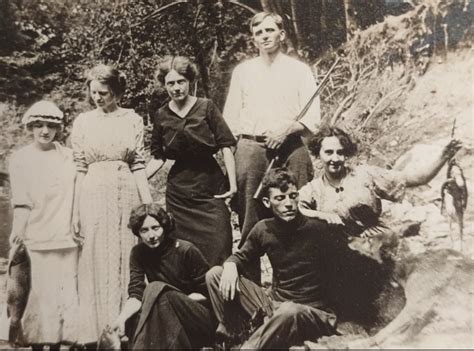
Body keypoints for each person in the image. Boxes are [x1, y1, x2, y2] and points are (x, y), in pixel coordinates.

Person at [223, 12, 320, 282]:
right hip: (252, 149)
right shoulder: (243, 72)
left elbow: (313, 118)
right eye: (258, 33)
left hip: (291, 148)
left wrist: (286, 129)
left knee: (297, 213)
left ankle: (300, 286)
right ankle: (252, 297)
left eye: (269, 30)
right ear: (253, 39)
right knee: (250, 221)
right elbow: (230, 120)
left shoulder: (299, 70)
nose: (264, 36)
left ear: (282, 34)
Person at [206, 168, 338, 349]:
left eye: (293, 196)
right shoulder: (263, 229)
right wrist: (230, 265)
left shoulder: (317, 229)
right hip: (275, 306)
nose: (289, 203)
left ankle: (248, 347)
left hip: (312, 313)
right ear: (267, 202)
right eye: (280, 198)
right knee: (215, 274)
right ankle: (234, 335)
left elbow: (342, 273)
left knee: (289, 311)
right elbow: (241, 256)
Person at [71, 64, 152, 345]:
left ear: (117, 92)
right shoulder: (82, 122)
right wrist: (74, 212)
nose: (98, 98)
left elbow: (139, 164)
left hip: (126, 190)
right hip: (93, 192)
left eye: (104, 92)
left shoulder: (132, 119)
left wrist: (149, 205)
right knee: (95, 256)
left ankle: (124, 328)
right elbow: (79, 168)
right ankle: (95, 333)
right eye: (93, 92)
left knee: (125, 255)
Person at [146, 56, 237, 266]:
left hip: (210, 186)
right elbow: (158, 157)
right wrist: (136, 180)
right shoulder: (161, 114)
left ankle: (221, 292)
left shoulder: (206, 107)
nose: (176, 88)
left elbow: (226, 145)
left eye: (181, 82)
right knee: (185, 251)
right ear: (164, 85)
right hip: (179, 193)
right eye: (170, 83)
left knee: (220, 242)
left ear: (190, 82)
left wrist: (232, 184)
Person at [298, 126, 462, 236]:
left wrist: (443, 156)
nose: (335, 158)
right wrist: (320, 214)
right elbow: (292, 209)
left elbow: (412, 179)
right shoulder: (313, 190)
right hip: (338, 252)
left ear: (346, 154)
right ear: (318, 154)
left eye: (340, 153)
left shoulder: (364, 174)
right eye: (328, 152)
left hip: (377, 245)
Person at [8, 101, 79, 350]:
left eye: (50, 125)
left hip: (68, 238)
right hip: (37, 238)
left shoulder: (69, 156)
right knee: (40, 299)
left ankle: (60, 345)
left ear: (58, 127)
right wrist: (17, 232)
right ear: (30, 127)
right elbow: (22, 202)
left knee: (64, 297)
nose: (45, 131)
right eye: (39, 125)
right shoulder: (21, 159)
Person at [111, 203, 216, 349]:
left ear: (165, 226)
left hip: (197, 317)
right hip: (165, 314)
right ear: (138, 233)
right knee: (133, 318)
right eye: (144, 230)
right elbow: (136, 294)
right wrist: (121, 319)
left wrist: (177, 299)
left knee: (157, 289)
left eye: (155, 228)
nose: (151, 236)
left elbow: (209, 295)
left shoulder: (186, 249)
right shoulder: (138, 253)